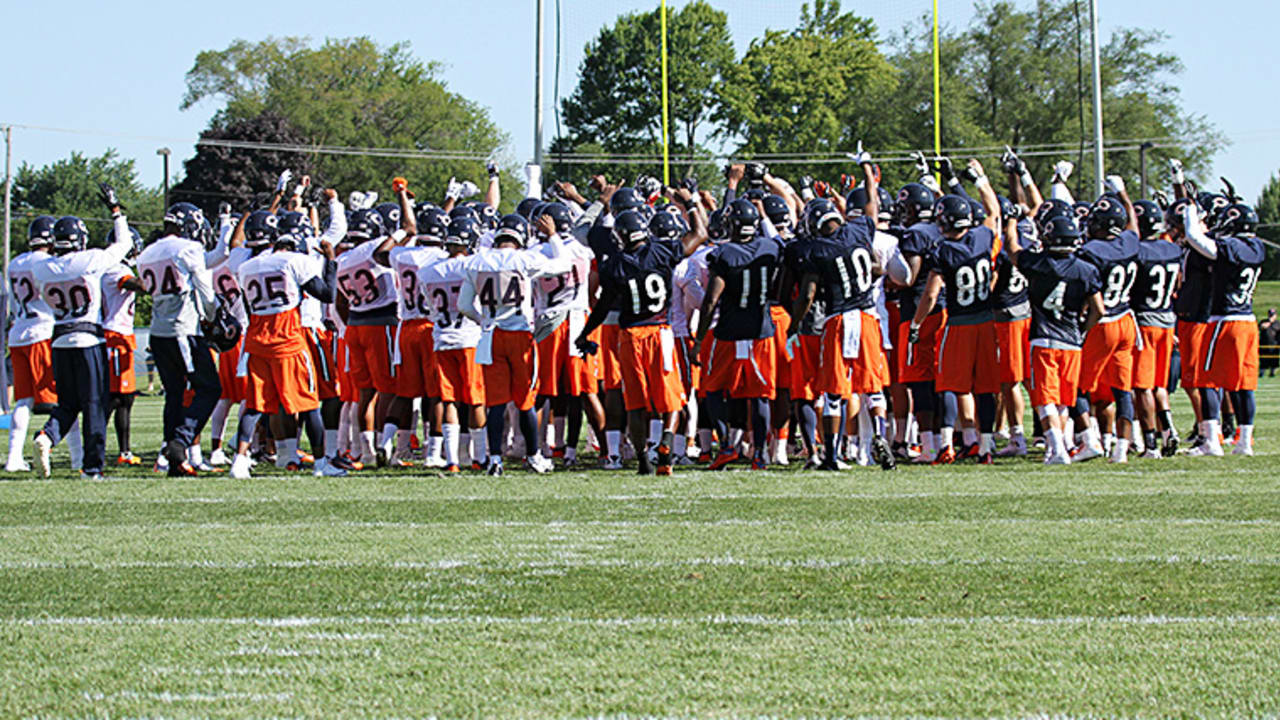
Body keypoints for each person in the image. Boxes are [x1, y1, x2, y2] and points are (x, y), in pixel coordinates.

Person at [228, 205, 344, 479]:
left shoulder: (245, 266)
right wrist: (330, 261)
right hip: (288, 339)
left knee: (255, 404)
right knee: (310, 403)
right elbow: (327, 294)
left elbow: (248, 307)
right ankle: (320, 464)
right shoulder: (294, 260)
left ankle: (239, 461)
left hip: (257, 339)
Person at [31, 184, 135, 479]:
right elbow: (123, 245)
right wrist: (116, 212)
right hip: (88, 339)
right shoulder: (88, 259)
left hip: (60, 339)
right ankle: (92, 468)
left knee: (68, 403)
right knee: (94, 406)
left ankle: (48, 436)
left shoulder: (42, 268)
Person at [459, 213, 570, 475]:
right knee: (525, 401)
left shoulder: (476, 262)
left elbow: (463, 306)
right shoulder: (524, 259)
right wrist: (553, 235)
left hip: (491, 336)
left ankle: (495, 459)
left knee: (495, 403)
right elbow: (563, 264)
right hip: (520, 336)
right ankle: (533, 456)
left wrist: (484, 320)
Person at [693, 198, 783, 470]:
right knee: (759, 395)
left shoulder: (724, 255)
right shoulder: (771, 247)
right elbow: (779, 243)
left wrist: (698, 340)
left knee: (712, 389)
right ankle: (759, 454)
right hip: (761, 332)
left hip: (729, 333)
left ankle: (727, 446)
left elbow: (710, 301)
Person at [1012, 213, 1105, 465]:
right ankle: (1059, 447)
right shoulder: (1086, 270)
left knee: (1044, 400)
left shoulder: (1038, 263)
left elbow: (1013, 250)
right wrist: (1083, 329)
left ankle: (1058, 450)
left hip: (1044, 338)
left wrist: (1012, 223)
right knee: (1064, 401)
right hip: (1072, 339)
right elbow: (1099, 309)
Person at [135, 201, 220, 475]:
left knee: (174, 393)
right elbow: (205, 291)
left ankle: (174, 459)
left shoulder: (146, 253)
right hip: (183, 330)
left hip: (158, 332)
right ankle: (179, 443)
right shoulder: (188, 248)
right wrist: (212, 316)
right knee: (209, 387)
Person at [1181, 201, 1265, 456]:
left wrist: (1190, 212)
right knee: (1243, 384)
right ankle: (1244, 442)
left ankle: (1212, 441)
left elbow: (1194, 238)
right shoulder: (1258, 247)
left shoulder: (1230, 248)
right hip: (1248, 321)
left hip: (1224, 321)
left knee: (1207, 379)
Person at [6, 217, 59, 472]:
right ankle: (76, 455)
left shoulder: (15, 262)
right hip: (42, 330)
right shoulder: (47, 262)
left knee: (23, 400)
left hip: (18, 332)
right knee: (59, 399)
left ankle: (13, 457)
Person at [100, 224, 146, 465]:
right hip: (114, 337)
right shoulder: (114, 270)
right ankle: (95, 448)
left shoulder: (114, 268)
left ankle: (124, 451)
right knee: (114, 398)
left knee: (126, 398)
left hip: (122, 336)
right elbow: (136, 285)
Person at [1260, 308, 1278, 377]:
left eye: (1273, 315)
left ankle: (1272, 373)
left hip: (1274, 347)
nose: (1271, 316)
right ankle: (1261, 374)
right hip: (1264, 346)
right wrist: (1263, 326)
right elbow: (1259, 328)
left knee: (1274, 362)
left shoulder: (1277, 324)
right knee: (1263, 362)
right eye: (1270, 315)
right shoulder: (1263, 322)